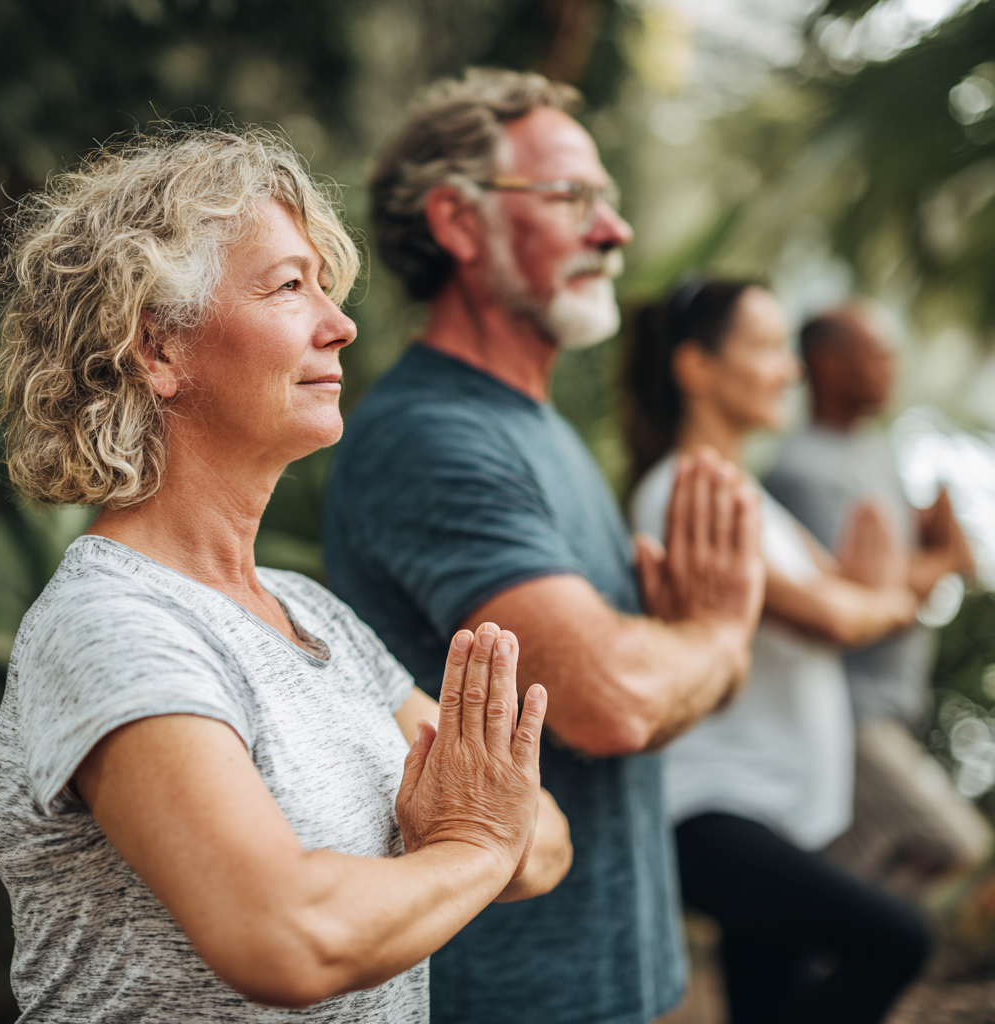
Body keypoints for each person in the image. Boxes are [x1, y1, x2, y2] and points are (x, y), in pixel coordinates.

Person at [0, 124, 573, 1023]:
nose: (340, 324)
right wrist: (476, 845)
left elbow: (550, 843)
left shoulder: (311, 615)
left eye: (325, 287)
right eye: (289, 286)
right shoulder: (114, 623)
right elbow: (285, 936)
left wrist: (482, 840)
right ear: (159, 350)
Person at [324, 69, 764, 1024]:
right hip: (508, 997)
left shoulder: (534, 425)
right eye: (573, 198)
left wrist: (678, 650)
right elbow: (611, 703)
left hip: (613, 983)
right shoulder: (434, 434)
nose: (615, 230)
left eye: (606, 199)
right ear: (459, 221)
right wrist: (721, 639)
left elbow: (632, 689)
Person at [627, 280, 932, 1024]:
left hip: (772, 808)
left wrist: (872, 594)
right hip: (714, 810)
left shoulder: (751, 497)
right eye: (764, 346)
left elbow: (852, 594)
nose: (791, 369)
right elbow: (835, 614)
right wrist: (886, 599)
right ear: (696, 369)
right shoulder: (685, 491)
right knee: (896, 942)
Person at [764, 304, 991, 890]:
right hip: (849, 709)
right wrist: (941, 560)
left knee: (852, 866)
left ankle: (830, 958)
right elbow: (859, 591)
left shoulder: (872, 448)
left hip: (889, 706)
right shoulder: (802, 468)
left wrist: (935, 532)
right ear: (827, 363)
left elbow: (907, 558)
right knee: (952, 841)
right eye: (876, 353)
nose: (891, 367)